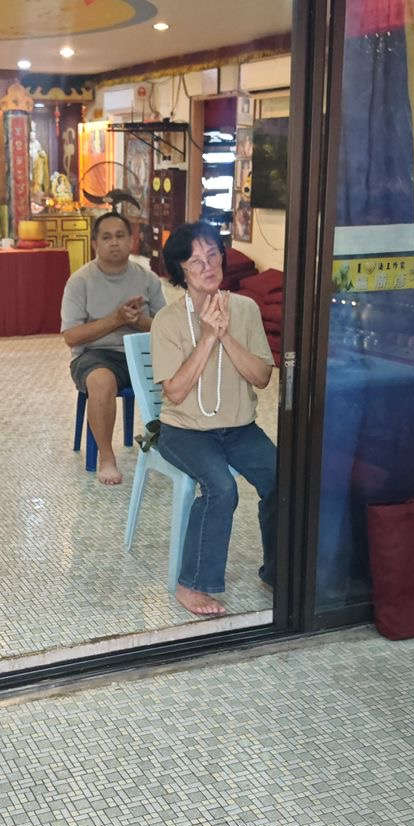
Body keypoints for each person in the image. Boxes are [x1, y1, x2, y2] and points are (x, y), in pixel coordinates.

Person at [151, 222, 276, 617]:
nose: (207, 266)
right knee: (221, 487)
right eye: (195, 261)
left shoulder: (246, 309)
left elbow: (262, 377)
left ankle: (278, 570)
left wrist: (225, 336)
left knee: (284, 477)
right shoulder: (167, 321)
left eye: (212, 255)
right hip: (184, 431)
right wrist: (207, 337)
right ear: (180, 271)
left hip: (239, 429)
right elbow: (174, 392)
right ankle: (192, 584)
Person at [60, 211, 166, 485]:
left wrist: (139, 322)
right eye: (106, 237)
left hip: (142, 352)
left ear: (132, 240)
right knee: (101, 382)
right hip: (95, 356)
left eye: (120, 236)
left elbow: (166, 328)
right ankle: (106, 457)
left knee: (181, 375)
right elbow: (71, 336)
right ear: (95, 243)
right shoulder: (80, 281)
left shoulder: (147, 279)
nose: (114, 242)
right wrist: (116, 320)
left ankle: (169, 447)